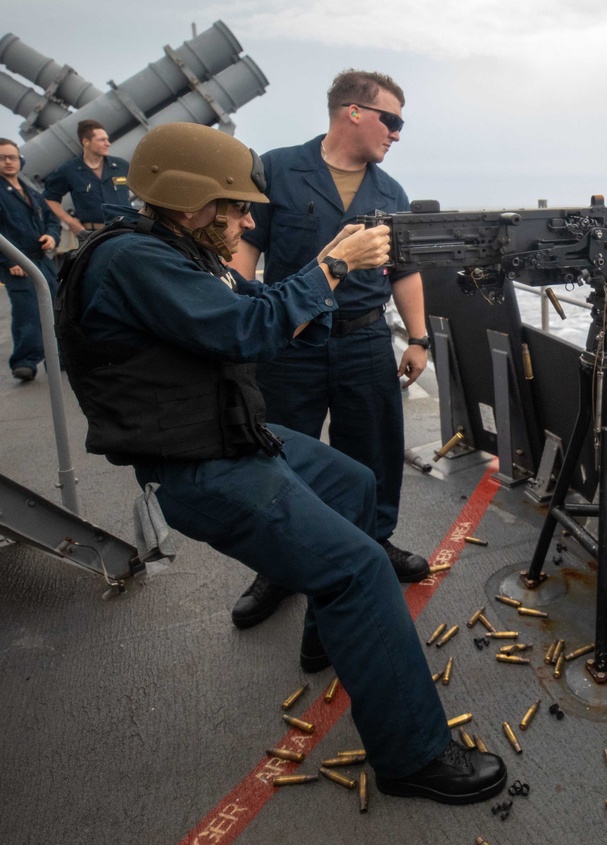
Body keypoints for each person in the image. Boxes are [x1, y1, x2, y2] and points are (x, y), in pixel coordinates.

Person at [55, 121, 506, 805]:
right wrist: (333, 266)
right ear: (185, 198)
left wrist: (323, 265)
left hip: (232, 436)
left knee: (353, 483)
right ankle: (413, 756)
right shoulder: (135, 262)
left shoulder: (172, 251)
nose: (243, 217)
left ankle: (329, 637)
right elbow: (247, 330)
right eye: (233, 205)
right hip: (201, 465)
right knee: (361, 567)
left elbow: (253, 302)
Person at [226, 69, 431, 631]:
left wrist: (417, 338)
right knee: (281, 451)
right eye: (392, 120)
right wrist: (239, 323)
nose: (396, 134)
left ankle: (373, 541)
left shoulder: (390, 193)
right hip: (292, 337)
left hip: (365, 338)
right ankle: (280, 565)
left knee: (374, 450)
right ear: (354, 112)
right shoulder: (277, 169)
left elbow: (405, 271)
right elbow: (246, 248)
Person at [0, 137, 60, 381]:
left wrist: (52, 236)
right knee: (27, 313)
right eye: (2, 158)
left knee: (57, 307)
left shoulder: (30, 192)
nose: (8, 162)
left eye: (12, 157)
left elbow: (51, 219)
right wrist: (8, 262)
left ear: (20, 160)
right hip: (17, 264)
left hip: (42, 260)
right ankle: (25, 361)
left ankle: (58, 357)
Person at [44, 119, 130, 235]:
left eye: (107, 139)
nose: (107, 143)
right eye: (101, 140)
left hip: (127, 231)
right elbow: (49, 199)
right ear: (86, 142)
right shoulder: (69, 170)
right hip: (94, 236)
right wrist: (71, 222)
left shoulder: (122, 166)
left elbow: (145, 191)